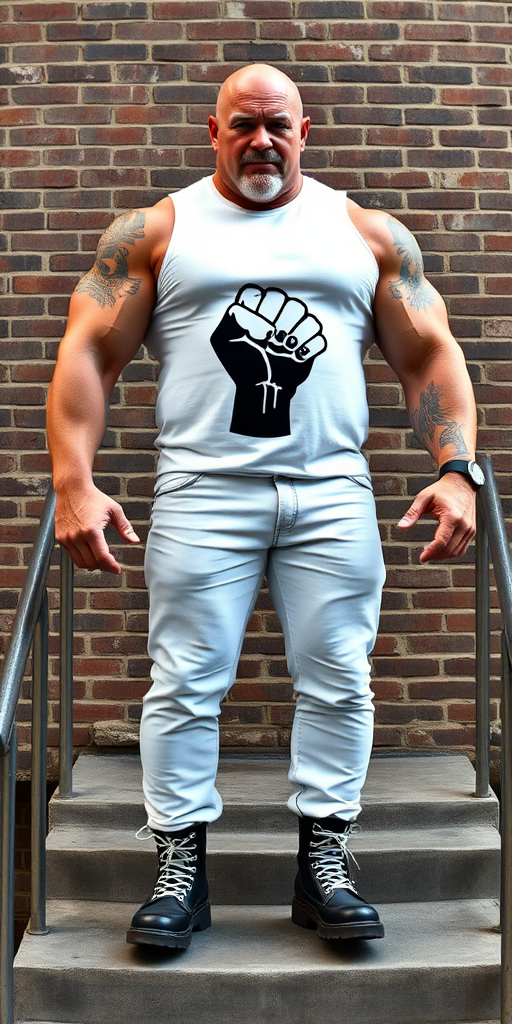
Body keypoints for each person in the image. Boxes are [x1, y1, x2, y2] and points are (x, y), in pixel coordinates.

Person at [47, 63, 481, 949]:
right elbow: (88, 349)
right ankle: (179, 872)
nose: (260, 142)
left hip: (331, 490)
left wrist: (456, 466)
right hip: (205, 488)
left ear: (305, 130)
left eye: (277, 126)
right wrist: (74, 482)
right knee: (184, 683)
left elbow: (430, 352)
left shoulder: (361, 232)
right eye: (242, 126)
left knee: (338, 679)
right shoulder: (157, 231)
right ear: (214, 132)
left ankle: (325, 864)